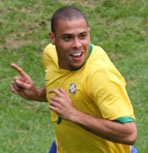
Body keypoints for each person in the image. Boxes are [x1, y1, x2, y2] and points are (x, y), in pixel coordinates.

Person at [11, 6, 138, 153]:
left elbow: (129, 133)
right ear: (53, 38)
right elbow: (69, 89)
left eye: (82, 36)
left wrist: (73, 114)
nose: (77, 45)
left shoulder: (101, 76)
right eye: (68, 38)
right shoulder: (50, 55)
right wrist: (36, 94)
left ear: (89, 33)